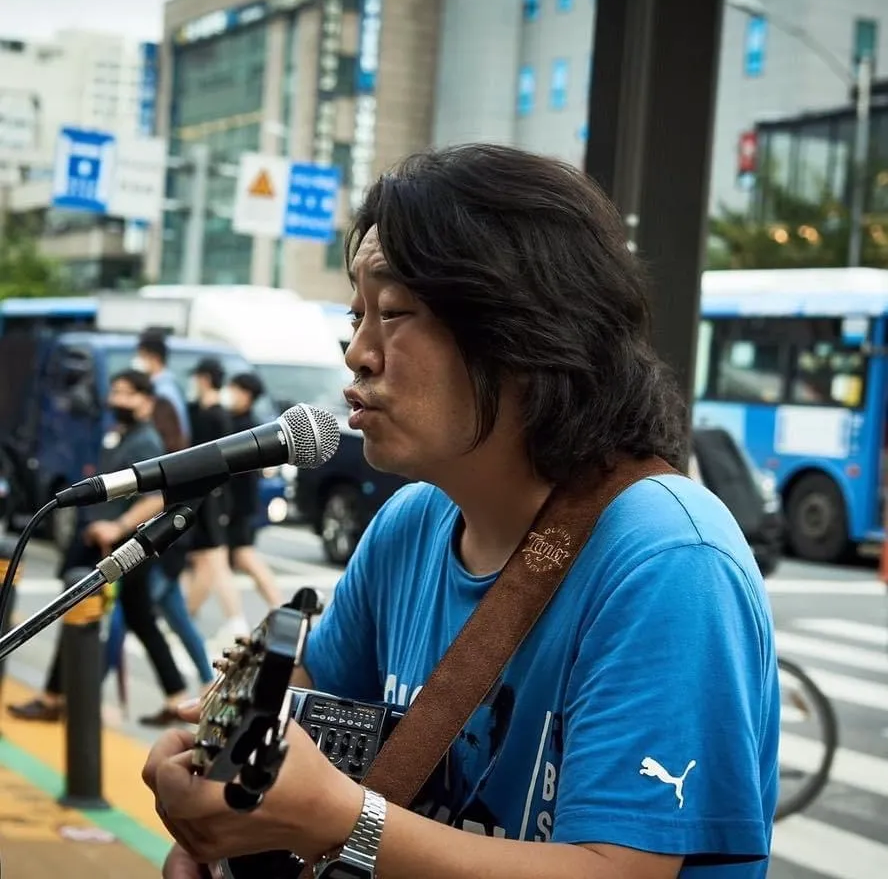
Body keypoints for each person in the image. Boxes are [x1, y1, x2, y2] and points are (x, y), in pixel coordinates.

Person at [143, 144, 780, 879]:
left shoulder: (669, 561)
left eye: (393, 312)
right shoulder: (410, 525)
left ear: (524, 330)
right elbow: (304, 716)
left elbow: (619, 871)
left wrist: (344, 821)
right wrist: (218, 793)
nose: (357, 354)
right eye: (355, 316)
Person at [10, 369, 189, 724]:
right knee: (140, 620)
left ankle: (52, 697)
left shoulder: (145, 441)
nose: (117, 400)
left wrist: (117, 527)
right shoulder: (118, 434)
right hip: (106, 542)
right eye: (115, 392)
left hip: (123, 547)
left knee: (74, 608)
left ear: (146, 400)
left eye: (126, 393)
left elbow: (156, 498)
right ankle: (177, 698)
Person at [148, 396, 215, 700]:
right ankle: (205, 682)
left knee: (127, 619)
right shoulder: (180, 460)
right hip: (171, 556)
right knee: (180, 622)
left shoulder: (167, 464)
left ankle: (85, 695)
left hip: (161, 557)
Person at [184, 357, 248, 639]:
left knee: (216, 560)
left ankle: (236, 620)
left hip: (213, 496)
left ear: (205, 379)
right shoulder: (198, 410)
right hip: (203, 495)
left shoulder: (216, 416)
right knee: (204, 561)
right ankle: (185, 618)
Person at [224, 372, 281, 608]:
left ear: (247, 395)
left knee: (241, 557)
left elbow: (244, 478)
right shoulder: (239, 422)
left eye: (234, 389)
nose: (229, 394)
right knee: (218, 563)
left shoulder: (246, 427)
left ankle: (280, 607)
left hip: (239, 506)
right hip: (238, 506)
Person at [135, 327, 190, 441]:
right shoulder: (161, 385)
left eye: (141, 356)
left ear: (154, 358)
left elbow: (174, 431)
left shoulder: (164, 391)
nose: (137, 361)